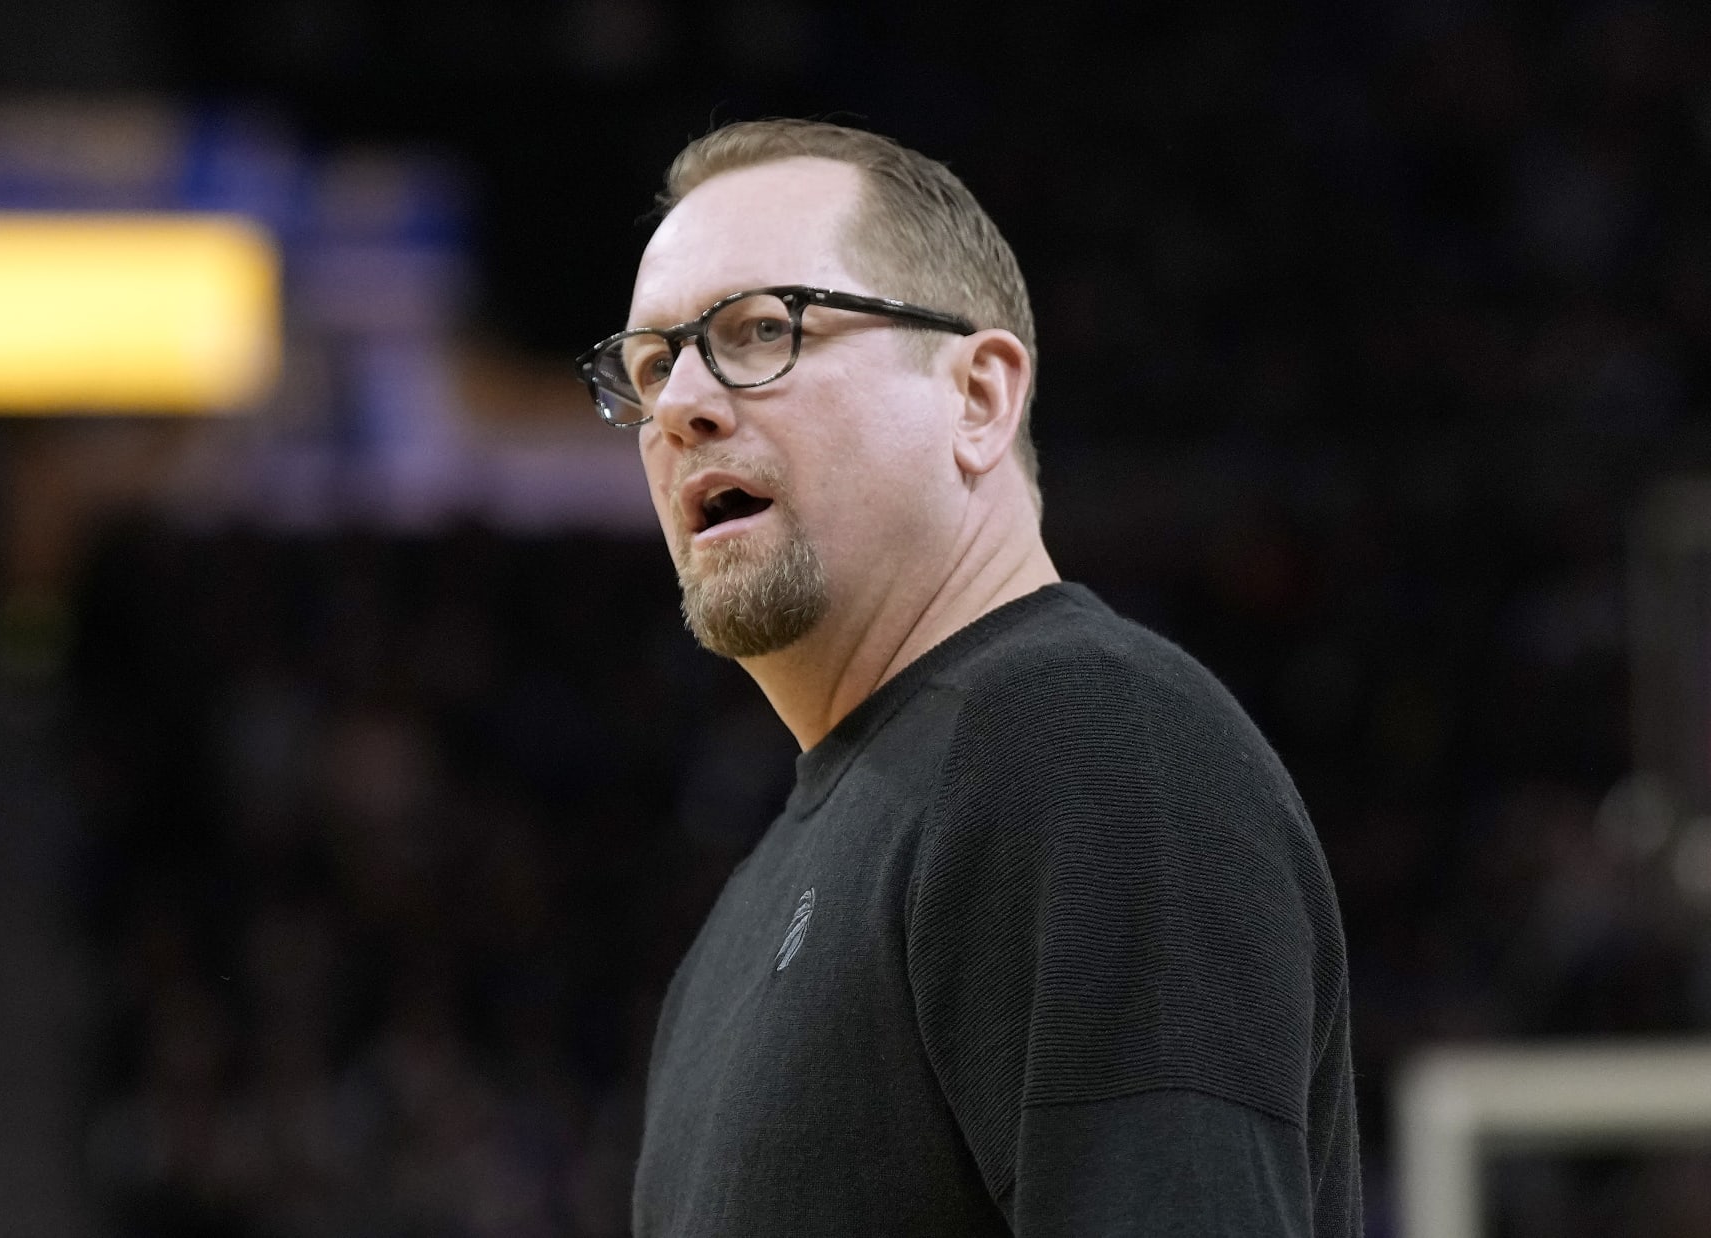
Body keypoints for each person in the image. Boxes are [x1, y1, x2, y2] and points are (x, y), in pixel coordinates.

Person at [576, 119, 1361, 1237]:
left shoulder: (1087, 735)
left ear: (980, 397)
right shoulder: (737, 927)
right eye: (652, 364)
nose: (681, 406)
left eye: (761, 330)